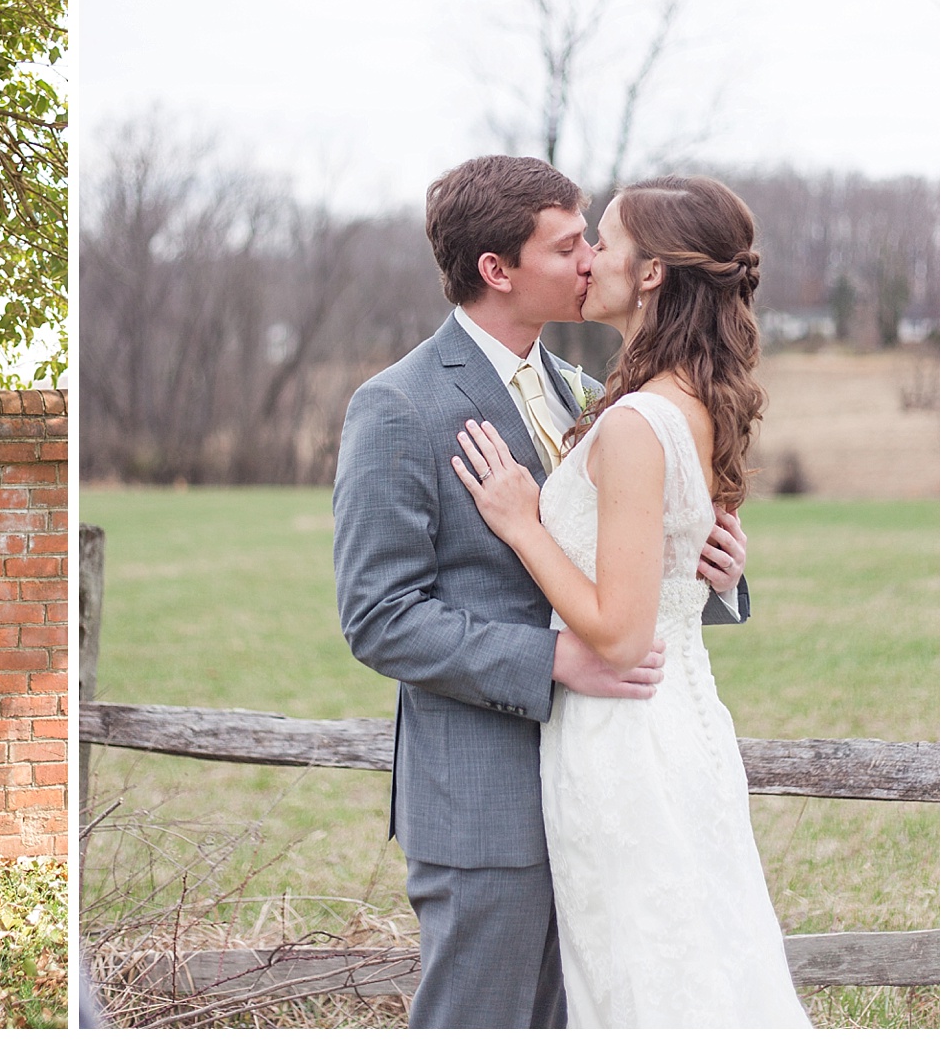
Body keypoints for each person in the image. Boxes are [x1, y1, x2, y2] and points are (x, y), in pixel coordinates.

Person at [333, 155, 750, 1028]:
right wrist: (555, 658)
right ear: (498, 269)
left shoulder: (593, 397)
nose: (590, 261)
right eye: (568, 246)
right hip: (487, 803)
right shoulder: (399, 406)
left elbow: (639, 554)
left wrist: (718, 570)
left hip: (608, 783)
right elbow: (379, 616)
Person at [450, 176, 809, 1026]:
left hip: (625, 734)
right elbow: (670, 554)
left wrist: (519, 522)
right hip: (675, 718)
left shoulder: (635, 419)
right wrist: (713, 566)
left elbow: (617, 632)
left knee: (647, 980)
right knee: (693, 961)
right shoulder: (677, 398)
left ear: (651, 273)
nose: (588, 258)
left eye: (602, 241)